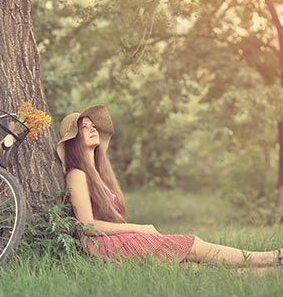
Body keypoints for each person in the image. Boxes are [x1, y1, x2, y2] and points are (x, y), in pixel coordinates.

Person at [56, 104, 283, 267]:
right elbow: (86, 226)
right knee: (192, 244)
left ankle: (261, 271)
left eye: (92, 124)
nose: (92, 128)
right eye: (84, 126)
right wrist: (138, 228)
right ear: (74, 139)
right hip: (100, 246)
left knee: (188, 266)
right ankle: (272, 257)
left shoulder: (99, 174)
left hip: (112, 242)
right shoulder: (77, 174)